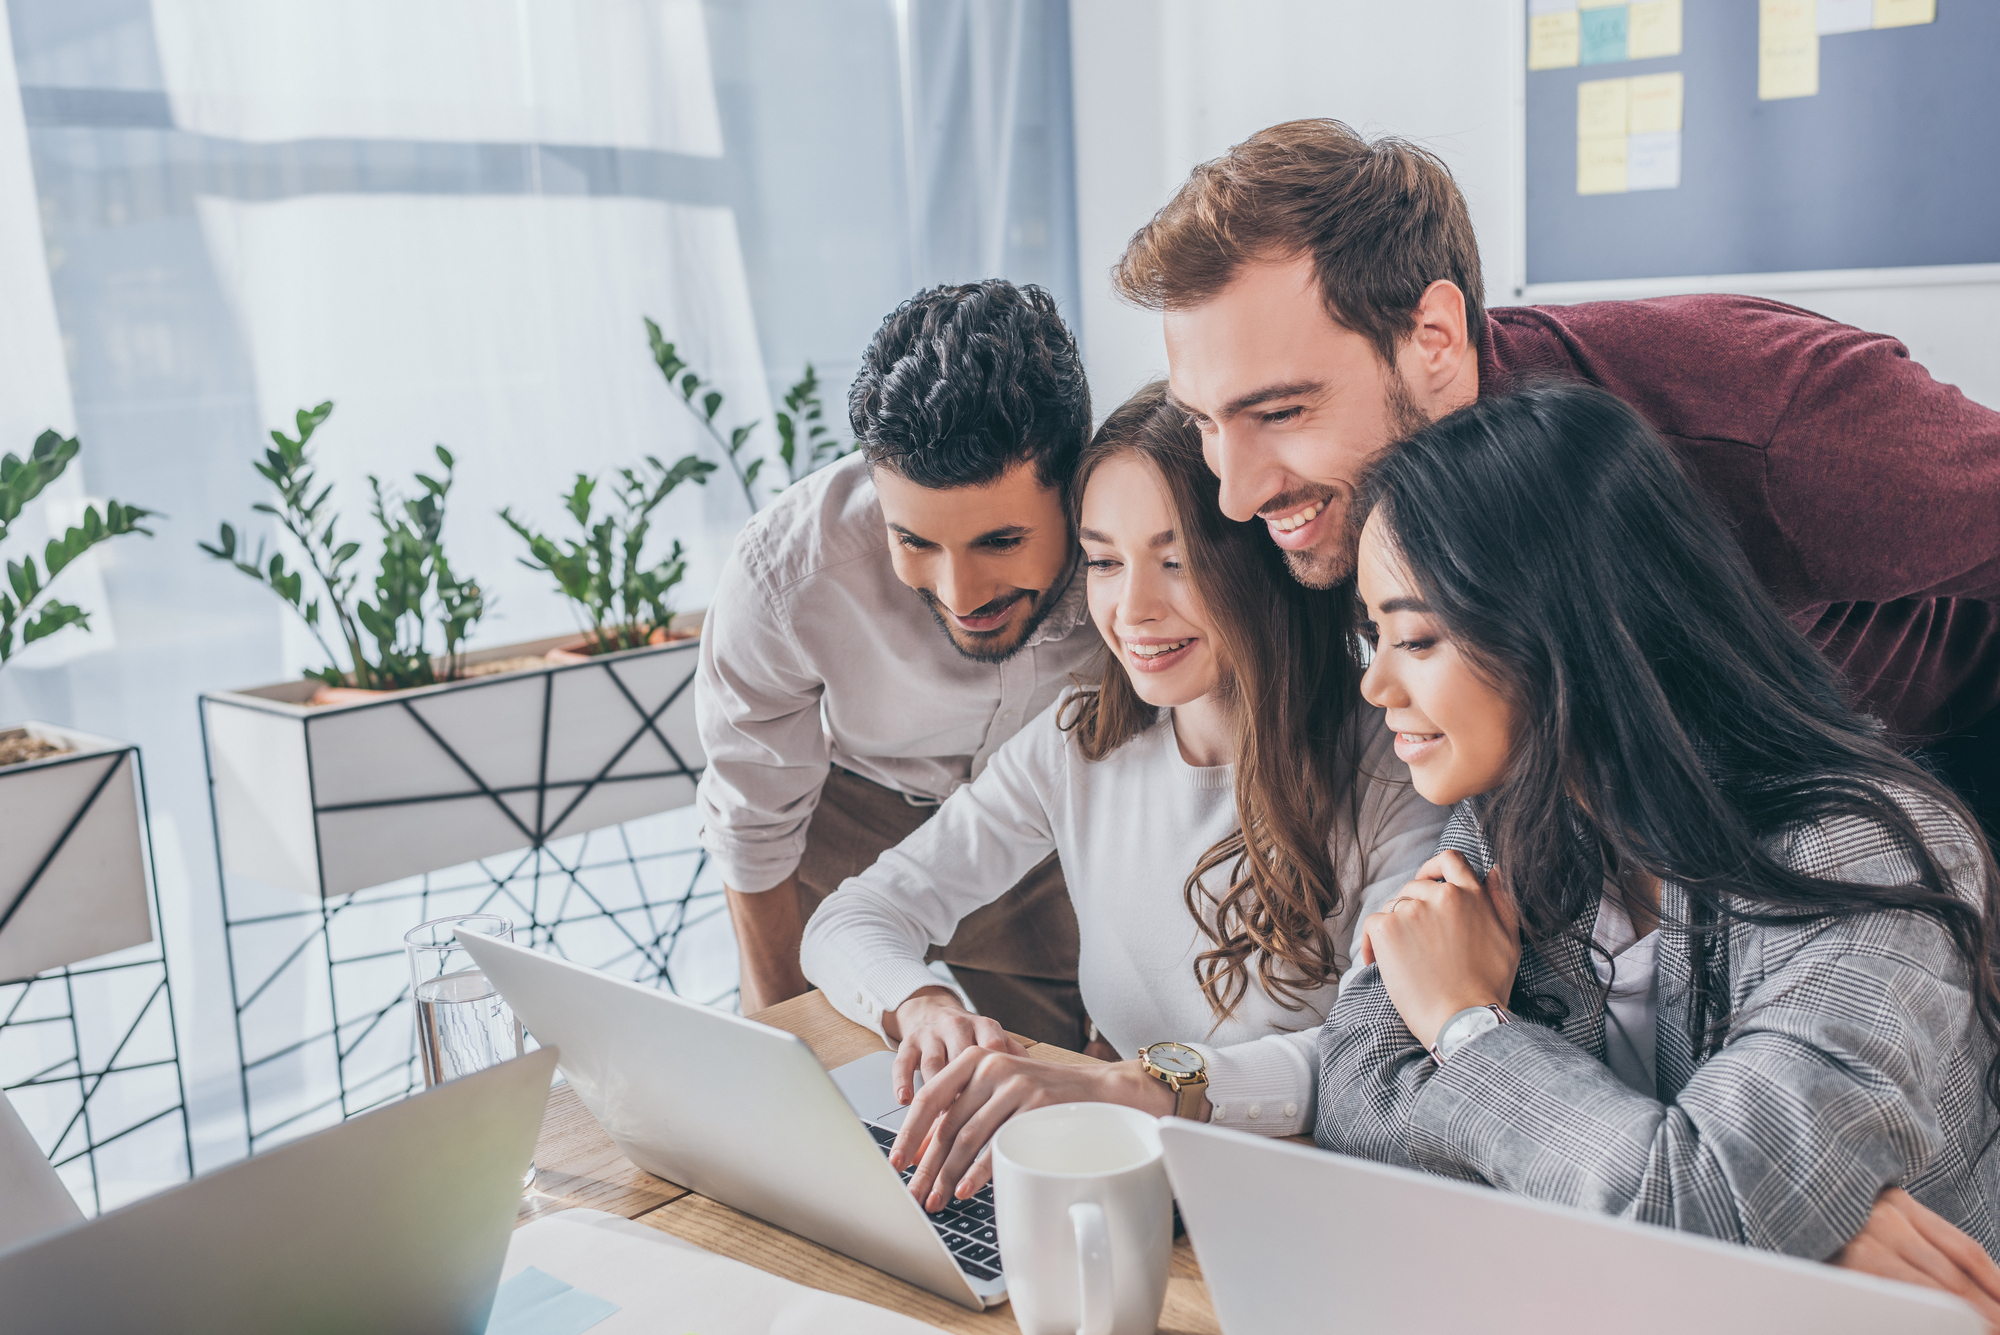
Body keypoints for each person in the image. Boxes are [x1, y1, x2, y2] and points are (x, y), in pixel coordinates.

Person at [1115, 118, 2000, 840]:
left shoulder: (1767, 421)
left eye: (1281, 413)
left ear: (1432, 337)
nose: (1235, 492)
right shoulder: (1288, 482)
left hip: (1920, 772)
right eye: (1204, 421)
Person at [1319, 382, 2000, 1321]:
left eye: (1418, 636)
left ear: (1572, 628)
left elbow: (1695, 1203)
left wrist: (1466, 1027)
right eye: (1372, 634)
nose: (1377, 683)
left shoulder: (1870, 858)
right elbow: (1355, 1101)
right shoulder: (1515, 816)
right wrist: (1747, 1210)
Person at [801, 383, 1444, 1213]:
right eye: (1104, 560)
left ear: (1258, 555)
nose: (1132, 610)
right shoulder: (1080, 739)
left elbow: (1379, 1054)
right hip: (1128, 1181)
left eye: (1176, 561)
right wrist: (923, 1005)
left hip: (1311, 1202)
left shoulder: (1398, 761)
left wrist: (1145, 1088)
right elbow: (851, 919)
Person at [695, 280, 1099, 1044]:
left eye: (1000, 541)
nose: (961, 592)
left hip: (1039, 844)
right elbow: (752, 820)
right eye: (915, 541)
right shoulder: (784, 574)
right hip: (843, 817)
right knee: (820, 1081)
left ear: (1074, 490)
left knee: (1064, 1090)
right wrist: (782, 1036)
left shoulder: (1140, 545)